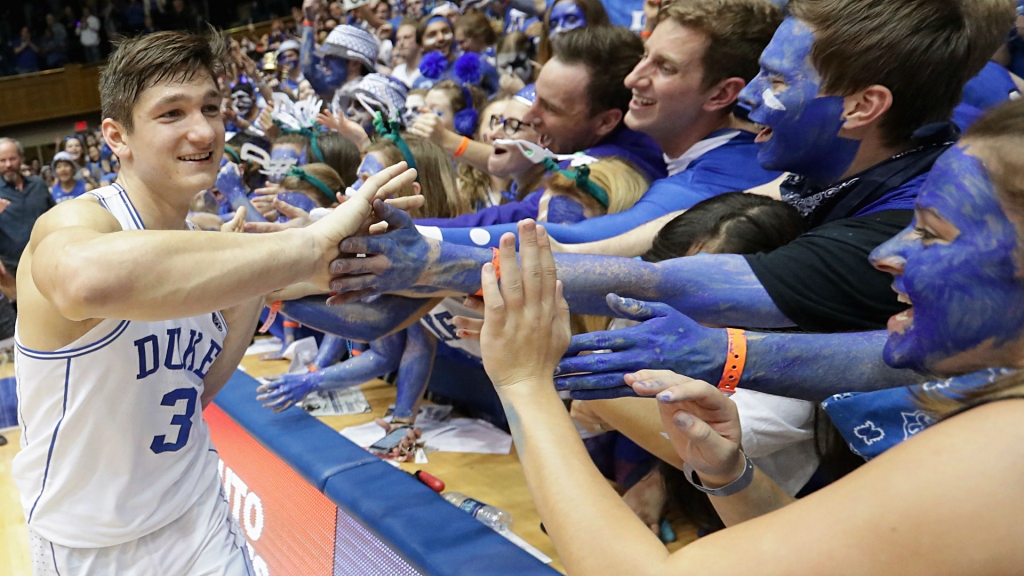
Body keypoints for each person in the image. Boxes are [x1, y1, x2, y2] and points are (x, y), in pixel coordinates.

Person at [326, 0, 1015, 402]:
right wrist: (428, 255)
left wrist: (432, 261)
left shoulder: (895, 208)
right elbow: (603, 250)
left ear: (865, 106)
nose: (749, 100)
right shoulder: (801, 170)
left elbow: (663, 278)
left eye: (772, 80)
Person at [471, 98, 1024, 576]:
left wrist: (526, 384)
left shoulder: (1004, 449)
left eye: (931, 232)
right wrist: (732, 478)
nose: (885, 254)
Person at [10, 30, 418, 575]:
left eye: (209, 108)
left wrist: (416, 259)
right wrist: (304, 247)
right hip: (85, 543)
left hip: (196, 515)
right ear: (116, 136)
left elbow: (193, 389)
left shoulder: (217, 243)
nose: (202, 130)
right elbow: (84, 280)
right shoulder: (78, 222)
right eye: (171, 113)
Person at [0, 138, 54, 299]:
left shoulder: (38, 184)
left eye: (12, 159)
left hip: (46, 263)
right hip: (12, 271)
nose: (8, 164)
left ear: (21, 159)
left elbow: (54, 215)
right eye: (2, 160)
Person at [391, 18, 423, 88]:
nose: (401, 43)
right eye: (398, 39)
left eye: (407, 37)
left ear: (420, 40)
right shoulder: (397, 72)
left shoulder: (429, 70)